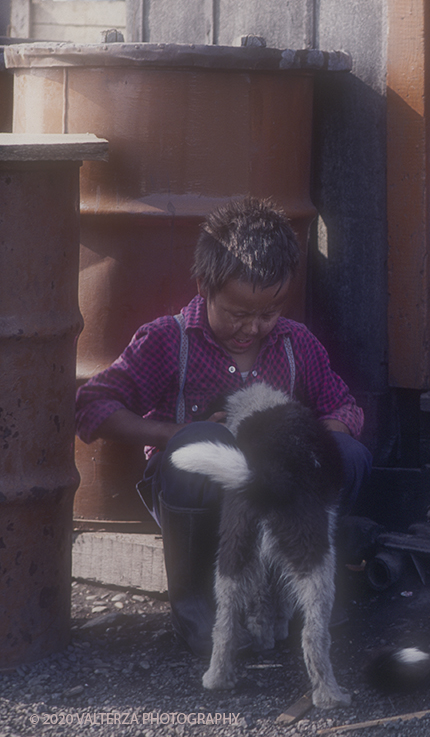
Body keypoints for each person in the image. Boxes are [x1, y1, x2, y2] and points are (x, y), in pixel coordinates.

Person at [75, 197, 371, 654]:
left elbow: (345, 407)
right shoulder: (167, 340)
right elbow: (92, 405)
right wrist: (173, 434)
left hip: (277, 504)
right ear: (204, 286)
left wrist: (313, 445)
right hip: (200, 502)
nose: (252, 327)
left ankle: (298, 602)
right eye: (237, 312)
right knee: (205, 442)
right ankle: (198, 612)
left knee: (347, 455)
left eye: (268, 313)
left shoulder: (297, 344)